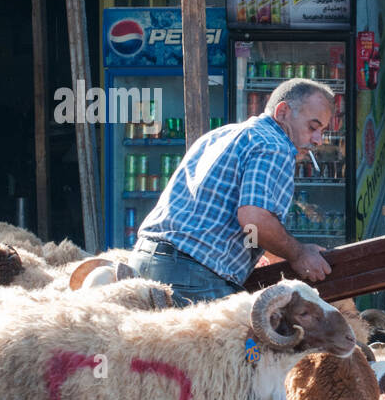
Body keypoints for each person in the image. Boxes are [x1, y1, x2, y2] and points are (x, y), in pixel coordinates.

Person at [130, 78, 333, 304]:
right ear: (283, 112)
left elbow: (236, 221)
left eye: (322, 131)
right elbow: (254, 220)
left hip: (144, 262)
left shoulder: (221, 134)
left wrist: (265, 250)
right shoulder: (275, 145)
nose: (318, 140)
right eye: (313, 127)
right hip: (192, 277)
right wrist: (298, 254)